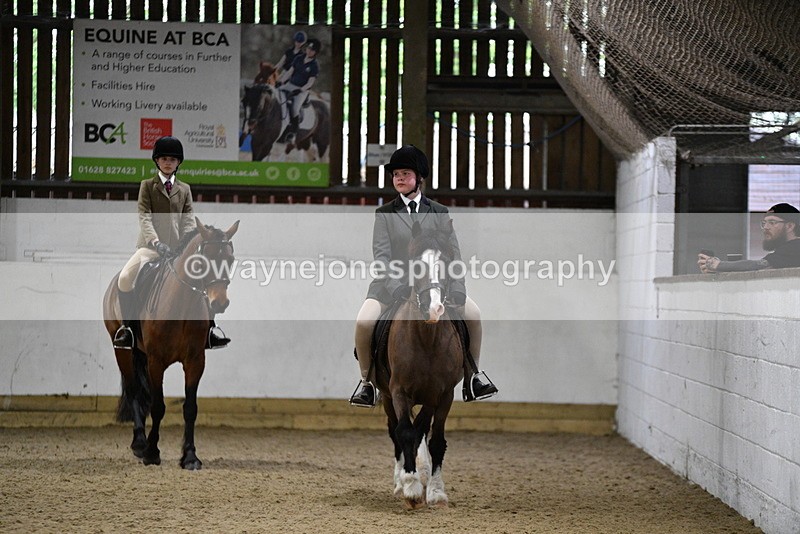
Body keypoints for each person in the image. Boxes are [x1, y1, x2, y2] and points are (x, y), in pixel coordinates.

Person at [350, 145, 499, 407]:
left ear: (419, 178)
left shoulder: (439, 212)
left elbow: (454, 256)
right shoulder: (384, 214)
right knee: (363, 322)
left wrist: (457, 288)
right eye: (396, 174)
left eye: (405, 174)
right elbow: (382, 258)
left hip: (435, 285)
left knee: (474, 315)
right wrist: (396, 286)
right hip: (391, 287)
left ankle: (473, 375)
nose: (399, 178)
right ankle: (367, 383)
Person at [112, 136, 230, 350]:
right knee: (125, 277)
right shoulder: (147, 186)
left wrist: (185, 244)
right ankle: (128, 329)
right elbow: (144, 217)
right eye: (164, 159)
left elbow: (188, 219)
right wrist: (155, 242)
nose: (168, 163)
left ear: (178, 163)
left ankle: (209, 330)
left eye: (172, 159)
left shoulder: (184, 189)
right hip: (151, 248)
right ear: (157, 161)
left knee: (205, 276)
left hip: (178, 250)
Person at [698, 203, 800, 273]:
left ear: (790, 226)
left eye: (772, 222)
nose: (766, 227)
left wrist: (718, 265)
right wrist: (718, 269)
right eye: (764, 223)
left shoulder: (796, 247)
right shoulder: (784, 253)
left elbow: (758, 266)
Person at [276, 38, 321, 143]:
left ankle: (293, 133)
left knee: (295, 108)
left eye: (312, 50)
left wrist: (300, 90)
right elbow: (290, 72)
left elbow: (310, 82)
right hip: (290, 84)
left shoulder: (314, 65)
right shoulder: (299, 58)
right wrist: (281, 81)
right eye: (308, 48)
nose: (309, 51)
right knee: (275, 94)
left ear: (315, 52)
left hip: (302, 91)